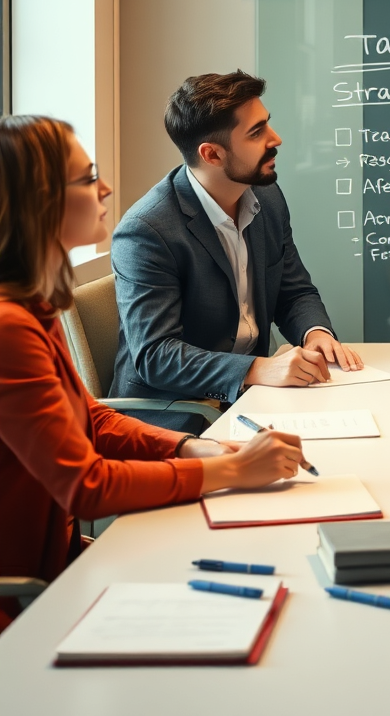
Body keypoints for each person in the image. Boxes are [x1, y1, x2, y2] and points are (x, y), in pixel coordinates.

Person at [0, 116, 312, 632]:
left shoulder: (33, 304)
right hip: (27, 603)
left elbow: (90, 420)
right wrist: (230, 472)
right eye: (86, 178)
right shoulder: (10, 327)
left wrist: (193, 449)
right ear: (38, 202)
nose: (105, 187)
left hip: (59, 562)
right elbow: (86, 486)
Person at [110, 71, 362, 431]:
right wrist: (258, 369)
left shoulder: (265, 197)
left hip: (250, 398)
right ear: (212, 154)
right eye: (256, 133)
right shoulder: (146, 231)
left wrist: (315, 333)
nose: (276, 139)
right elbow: (155, 356)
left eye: (267, 125)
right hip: (175, 415)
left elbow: (294, 292)